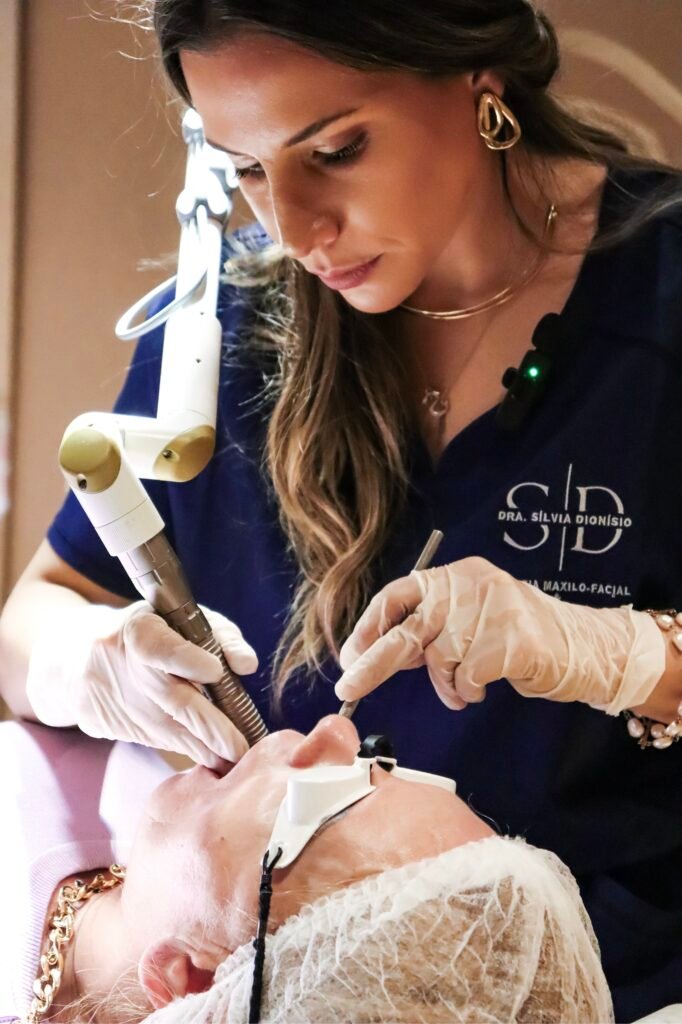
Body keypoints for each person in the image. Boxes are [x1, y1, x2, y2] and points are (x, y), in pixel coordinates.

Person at [0, 1, 680, 1019]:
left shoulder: (661, 302)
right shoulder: (234, 326)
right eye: (245, 167)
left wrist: (619, 656)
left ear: (476, 74)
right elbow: (31, 620)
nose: (294, 230)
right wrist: (87, 659)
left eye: (336, 149)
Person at [3, 714, 613, 1023]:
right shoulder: (105, 769)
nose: (332, 730)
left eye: (324, 801)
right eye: (380, 763)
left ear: (195, 983)